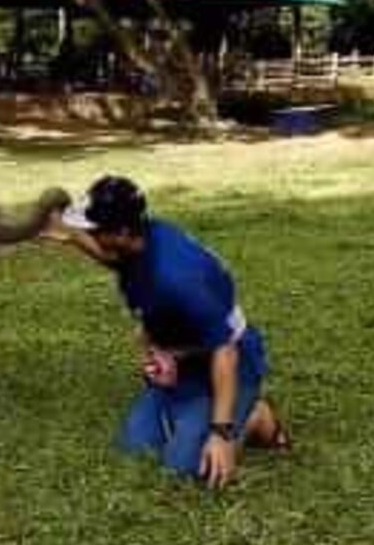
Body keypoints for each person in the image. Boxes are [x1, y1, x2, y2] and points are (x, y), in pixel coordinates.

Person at [42, 176, 290, 489]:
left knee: (189, 471)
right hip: (185, 356)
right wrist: (71, 236)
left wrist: (222, 433)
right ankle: (194, 413)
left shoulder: (177, 277)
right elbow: (113, 258)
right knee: (134, 446)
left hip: (231, 360)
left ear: (121, 232)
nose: (89, 234)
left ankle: (253, 416)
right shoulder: (139, 240)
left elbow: (225, 350)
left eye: (94, 230)